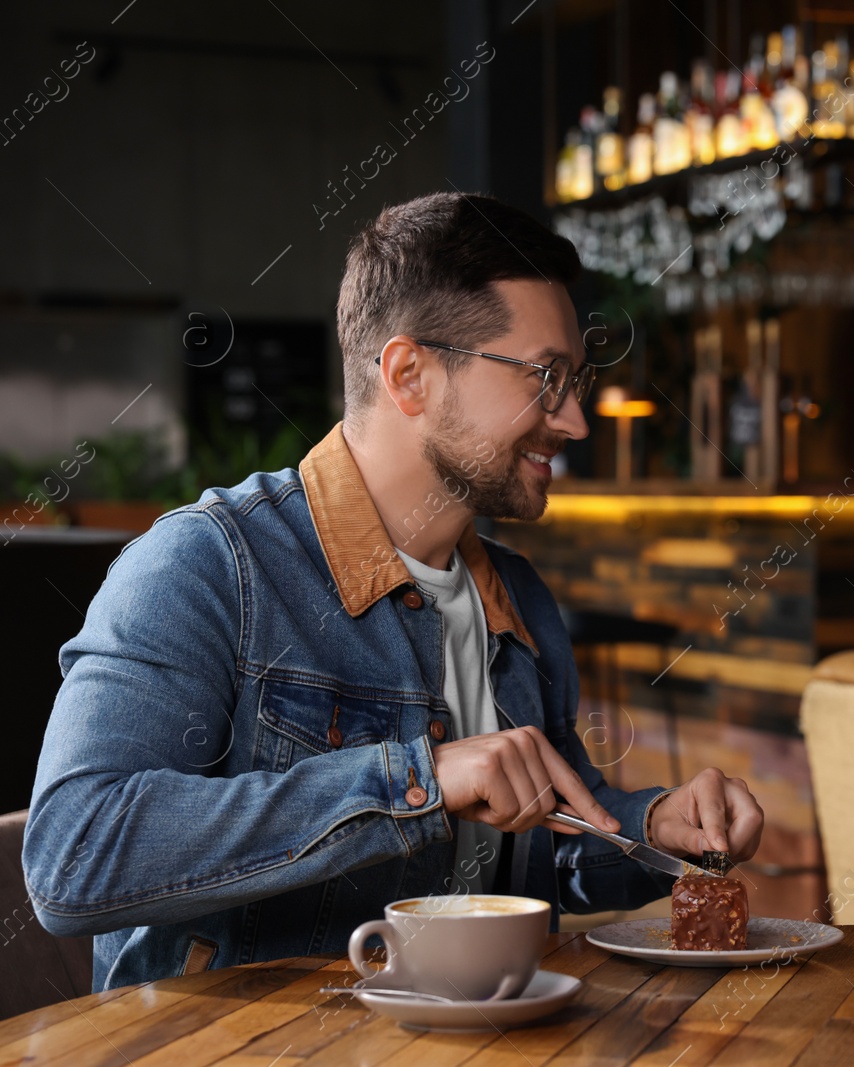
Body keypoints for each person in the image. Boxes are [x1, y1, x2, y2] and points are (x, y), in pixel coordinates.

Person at [25, 192, 763, 990]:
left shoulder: (518, 597)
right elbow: (75, 855)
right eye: (547, 377)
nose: (575, 419)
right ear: (410, 374)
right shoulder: (208, 566)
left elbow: (526, 858)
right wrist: (418, 780)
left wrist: (654, 826)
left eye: (575, 381)